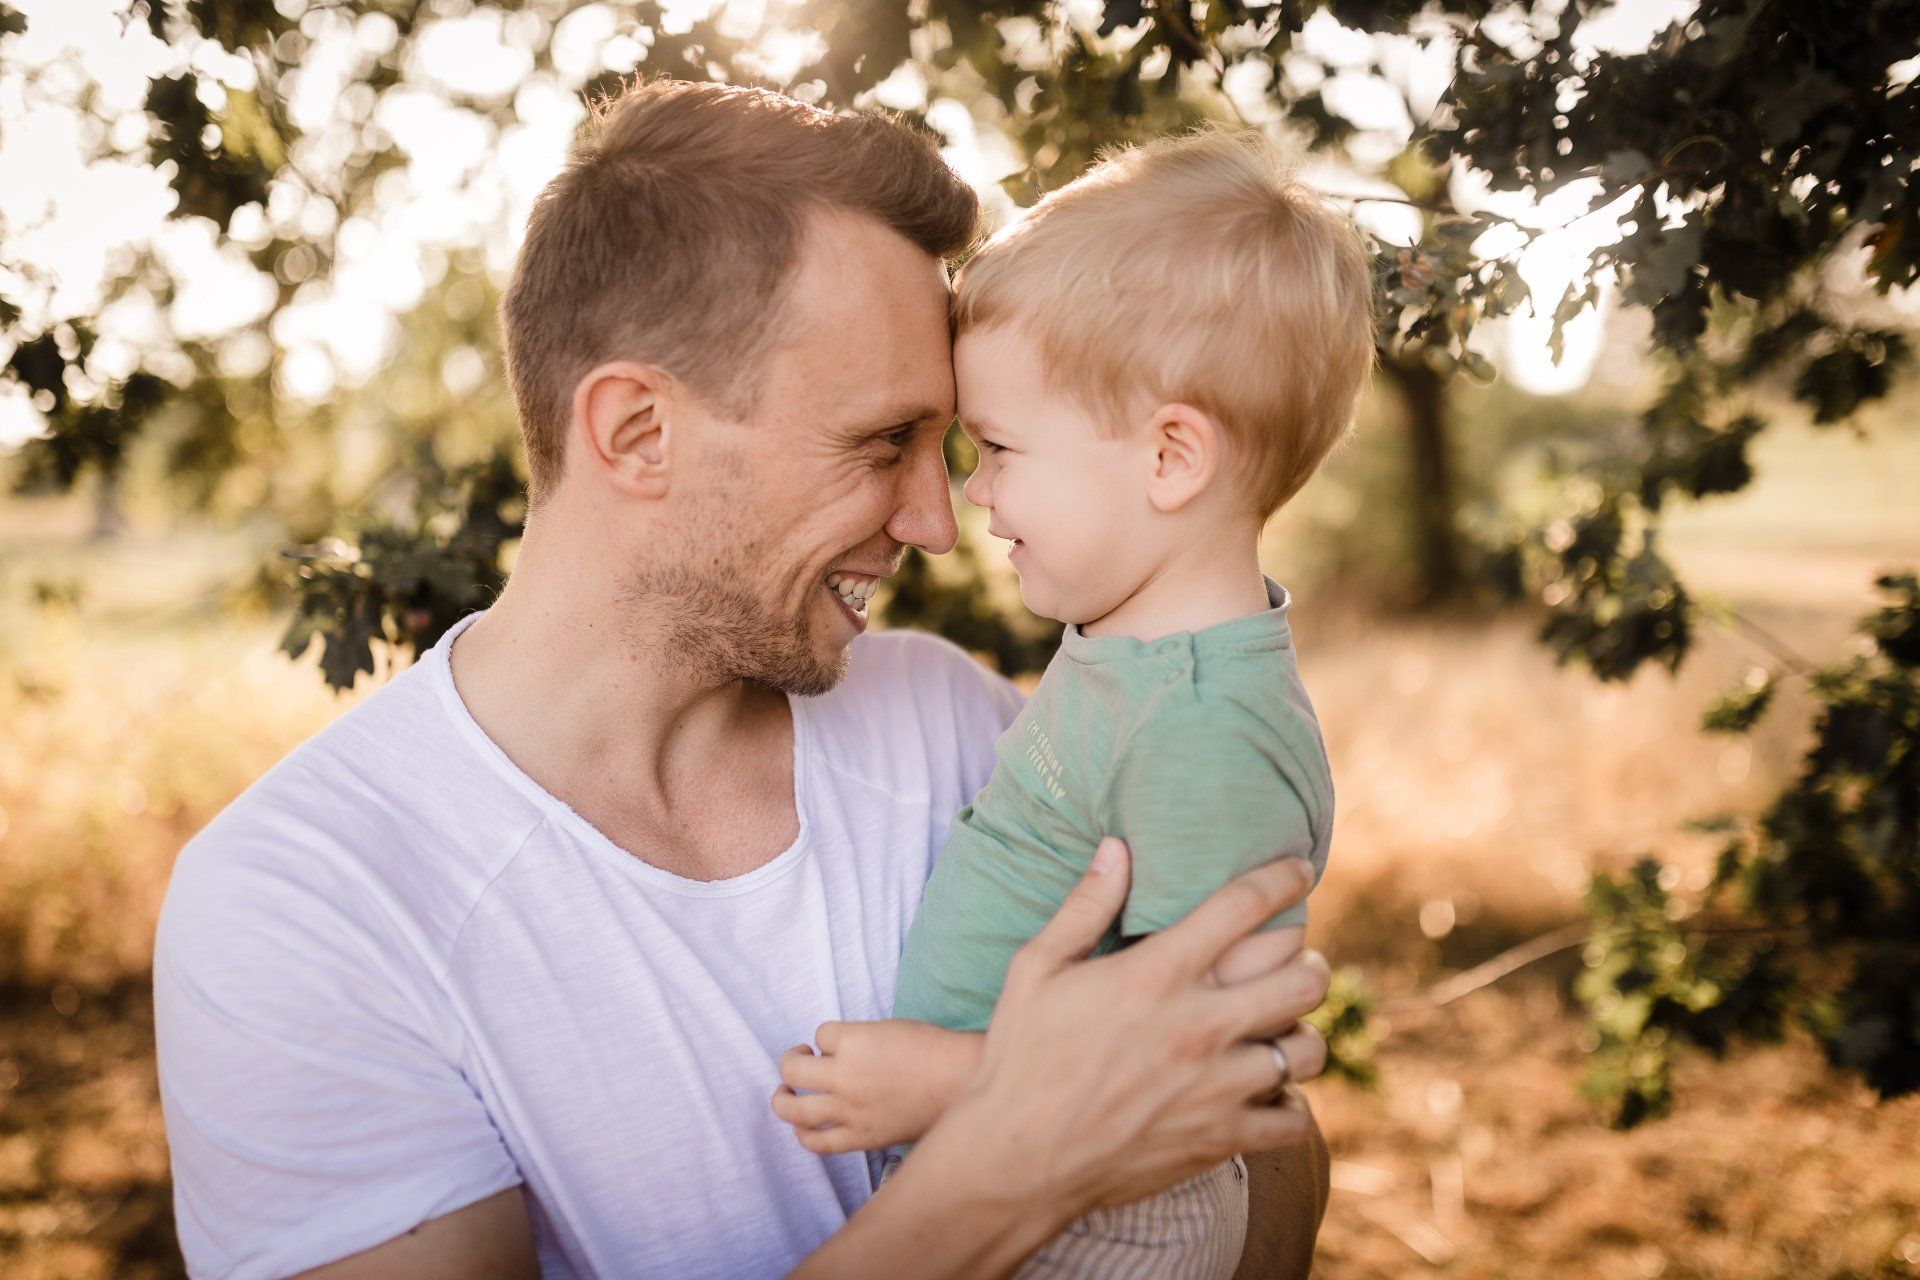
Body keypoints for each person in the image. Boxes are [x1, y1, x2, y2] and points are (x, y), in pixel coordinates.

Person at [152, 79, 1335, 1280]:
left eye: (958, 448)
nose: (938, 519)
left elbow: (1259, 1143)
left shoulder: (955, 720)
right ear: (636, 434)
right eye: (883, 443)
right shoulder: (305, 907)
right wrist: (1014, 1162)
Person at [767, 130, 1372, 1277]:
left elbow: (1204, 1054)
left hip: (1109, 1218)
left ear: (1170, 459)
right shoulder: (1132, 657)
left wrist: (939, 1080)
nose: (969, 494)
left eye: (995, 446)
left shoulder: (1205, 723)